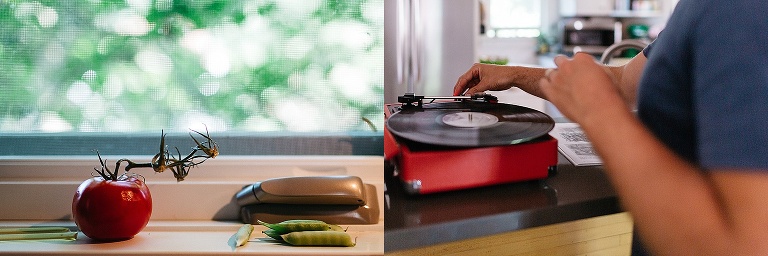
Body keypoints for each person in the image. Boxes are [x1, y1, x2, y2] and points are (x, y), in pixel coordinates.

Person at [453, 0, 768, 255]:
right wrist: (515, 75)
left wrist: (598, 112)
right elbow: (623, 82)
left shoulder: (736, 10)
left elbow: (743, 245)